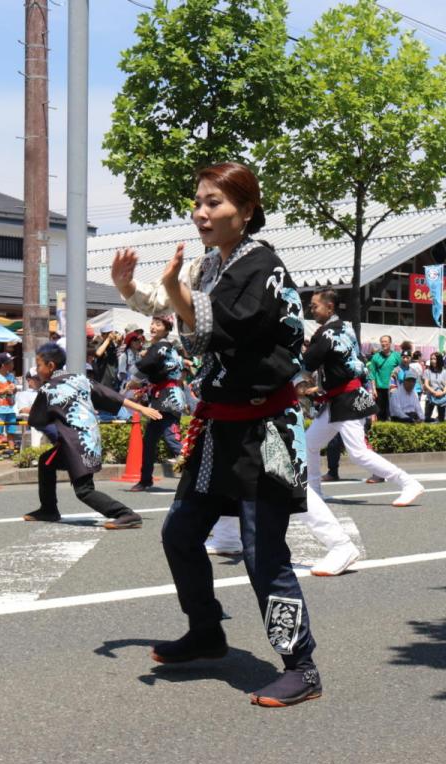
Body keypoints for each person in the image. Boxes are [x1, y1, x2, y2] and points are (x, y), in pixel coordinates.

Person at [116, 161, 323, 707]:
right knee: (180, 535)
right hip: (217, 428)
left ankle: (300, 665)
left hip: (264, 430)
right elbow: (172, 306)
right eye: (199, 201)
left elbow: (223, 326)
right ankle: (207, 632)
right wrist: (132, 290)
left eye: (215, 203)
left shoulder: (264, 267)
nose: (201, 212)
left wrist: (171, 292)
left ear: (247, 210)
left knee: (263, 553)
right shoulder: (212, 264)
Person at [302, 288, 424, 510]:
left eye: (314, 306)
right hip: (339, 398)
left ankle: (409, 482)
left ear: (330, 307)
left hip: (346, 399)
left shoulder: (328, 333)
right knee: (309, 443)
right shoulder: (345, 328)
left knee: (358, 453)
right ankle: (314, 493)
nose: (311, 310)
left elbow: (307, 362)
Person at [22, 342, 156, 528]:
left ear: (51, 366)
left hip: (76, 444)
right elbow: (111, 396)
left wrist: (43, 416)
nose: (37, 370)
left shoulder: (48, 389)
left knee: (84, 490)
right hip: (88, 439)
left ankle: (126, 514)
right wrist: (141, 407)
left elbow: (37, 420)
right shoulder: (80, 379)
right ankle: (48, 509)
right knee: (46, 462)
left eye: (39, 365)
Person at [127, 315, 185, 491]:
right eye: (152, 323)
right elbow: (154, 367)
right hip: (161, 397)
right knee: (149, 441)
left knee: (172, 439)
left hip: (169, 398)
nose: (153, 327)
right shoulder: (161, 347)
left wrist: (135, 378)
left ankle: (197, 477)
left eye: (158, 324)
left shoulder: (163, 346)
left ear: (167, 329)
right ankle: (145, 479)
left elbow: (150, 364)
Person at [0, 353, 19, 456]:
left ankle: (11, 450)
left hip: (10, 408)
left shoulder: (11, 376)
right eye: (10, 362)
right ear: (3, 365)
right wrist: (4, 391)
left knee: (11, 430)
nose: (12, 364)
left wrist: (14, 390)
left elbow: (15, 391)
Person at [366, 336, 401, 421]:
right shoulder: (376, 357)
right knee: (381, 413)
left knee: (393, 412)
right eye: (382, 341)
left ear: (390, 343)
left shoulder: (396, 356)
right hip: (380, 389)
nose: (383, 343)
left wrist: (396, 371)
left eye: (385, 341)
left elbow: (402, 368)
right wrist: (373, 389)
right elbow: (372, 374)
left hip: (393, 390)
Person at [422, 352, 446, 422]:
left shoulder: (445, 372)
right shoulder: (427, 371)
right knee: (427, 417)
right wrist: (434, 392)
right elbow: (426, 384)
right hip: (430, 397)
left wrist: (443, 392)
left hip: (441, 397)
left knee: (441, 418)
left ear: (439, 360)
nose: (432, 361)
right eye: (431, 359)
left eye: (434, 359)